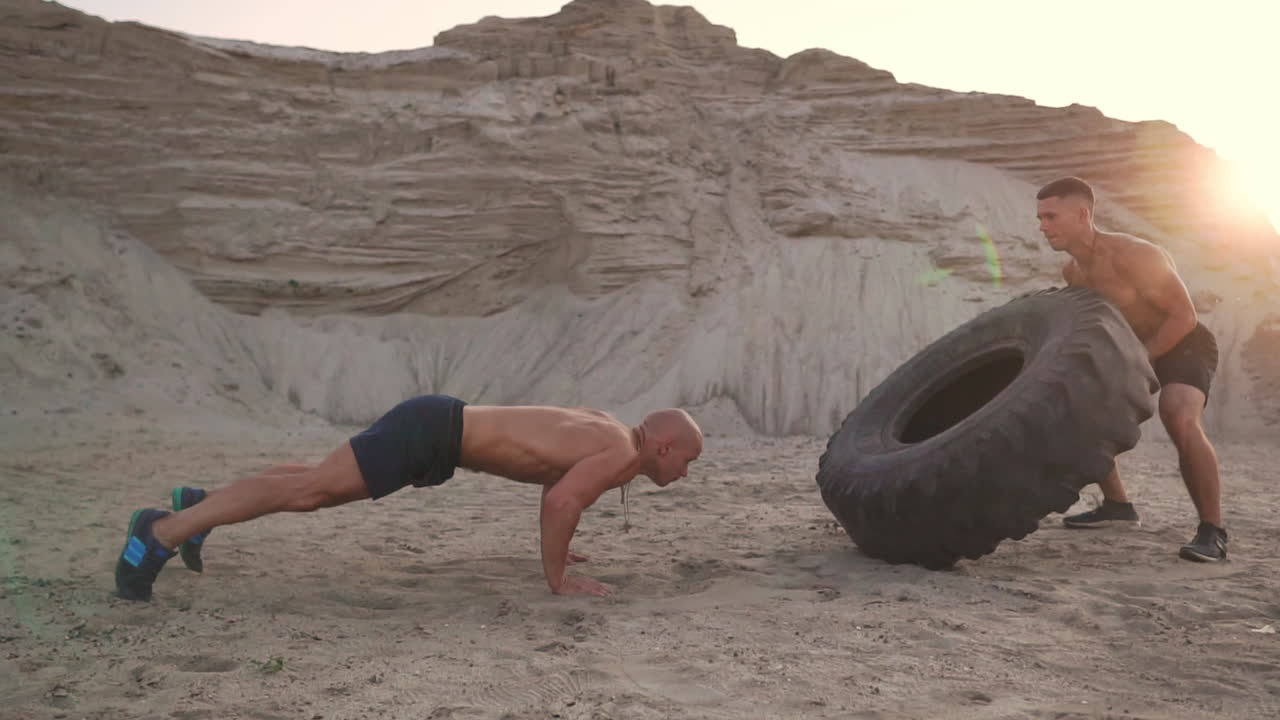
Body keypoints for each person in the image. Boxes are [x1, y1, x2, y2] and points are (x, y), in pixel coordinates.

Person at [115, 395, 703, 601]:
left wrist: (561, 546)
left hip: (438, 425)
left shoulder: (609, 429)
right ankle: (160, 531)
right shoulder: (623, 456)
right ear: (666, 447)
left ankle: (201, 506)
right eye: (688, 463)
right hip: (432, 434)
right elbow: (561, 503)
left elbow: (554, 478)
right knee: (311, 493)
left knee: (316, 478)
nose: (685, 474)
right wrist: (557, 579)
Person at [1034, 176, 1227, 562]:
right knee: (1084, 416)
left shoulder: (1134, 255)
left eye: (1051, 216)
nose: (1043, 226)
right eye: (1040, 217)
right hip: (1132, 349)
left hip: (1184, 341)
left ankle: (1213, 531)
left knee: (1178, 414)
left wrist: (1143, 357)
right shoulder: (1072, 273)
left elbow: (1183, 316)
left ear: (1083, 215)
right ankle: (1118, 507)